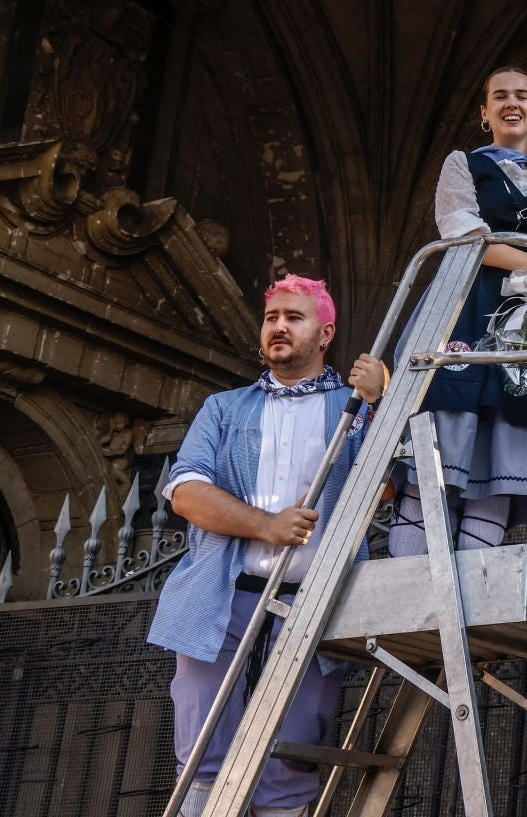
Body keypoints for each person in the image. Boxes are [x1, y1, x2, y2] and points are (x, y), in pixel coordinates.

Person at [149, 276, 388, 817]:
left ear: (326, 333)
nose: (279, 326)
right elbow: (185, 492)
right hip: (219, 596)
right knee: (200, 757)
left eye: (294, 317)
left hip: (314, 604)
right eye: (272, 317)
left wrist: (382, 401)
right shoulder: (224, 408)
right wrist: (266, 525)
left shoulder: (353, 409)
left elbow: (389, 482)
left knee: (291, 759)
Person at [388, 66, 527, 556]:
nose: (510, 104)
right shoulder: (464, 164)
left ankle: (472, 589)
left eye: (521, 97)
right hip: (466, 313)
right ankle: (410, 585)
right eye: (499, 97)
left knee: (499, 461)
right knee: (442, 447)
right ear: (484, 112)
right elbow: (462, 233)